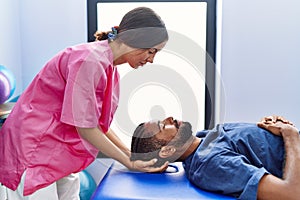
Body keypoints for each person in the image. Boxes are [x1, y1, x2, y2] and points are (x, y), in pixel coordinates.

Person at [0, 7, 169, 200]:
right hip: (34, 149)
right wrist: (128, 161)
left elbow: (97, 125)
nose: (152, 59)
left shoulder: (108, 67)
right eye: (151, 51)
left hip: (59, 152)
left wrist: (131, 155)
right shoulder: (89, 61)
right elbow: (85, 128)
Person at [130, 116, 300, 200]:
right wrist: (290, 136)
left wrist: (272, 127)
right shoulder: (210, 164)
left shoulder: (203, 138)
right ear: (167, 151)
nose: (169, 118)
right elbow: (291, 193)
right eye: (162, 126)